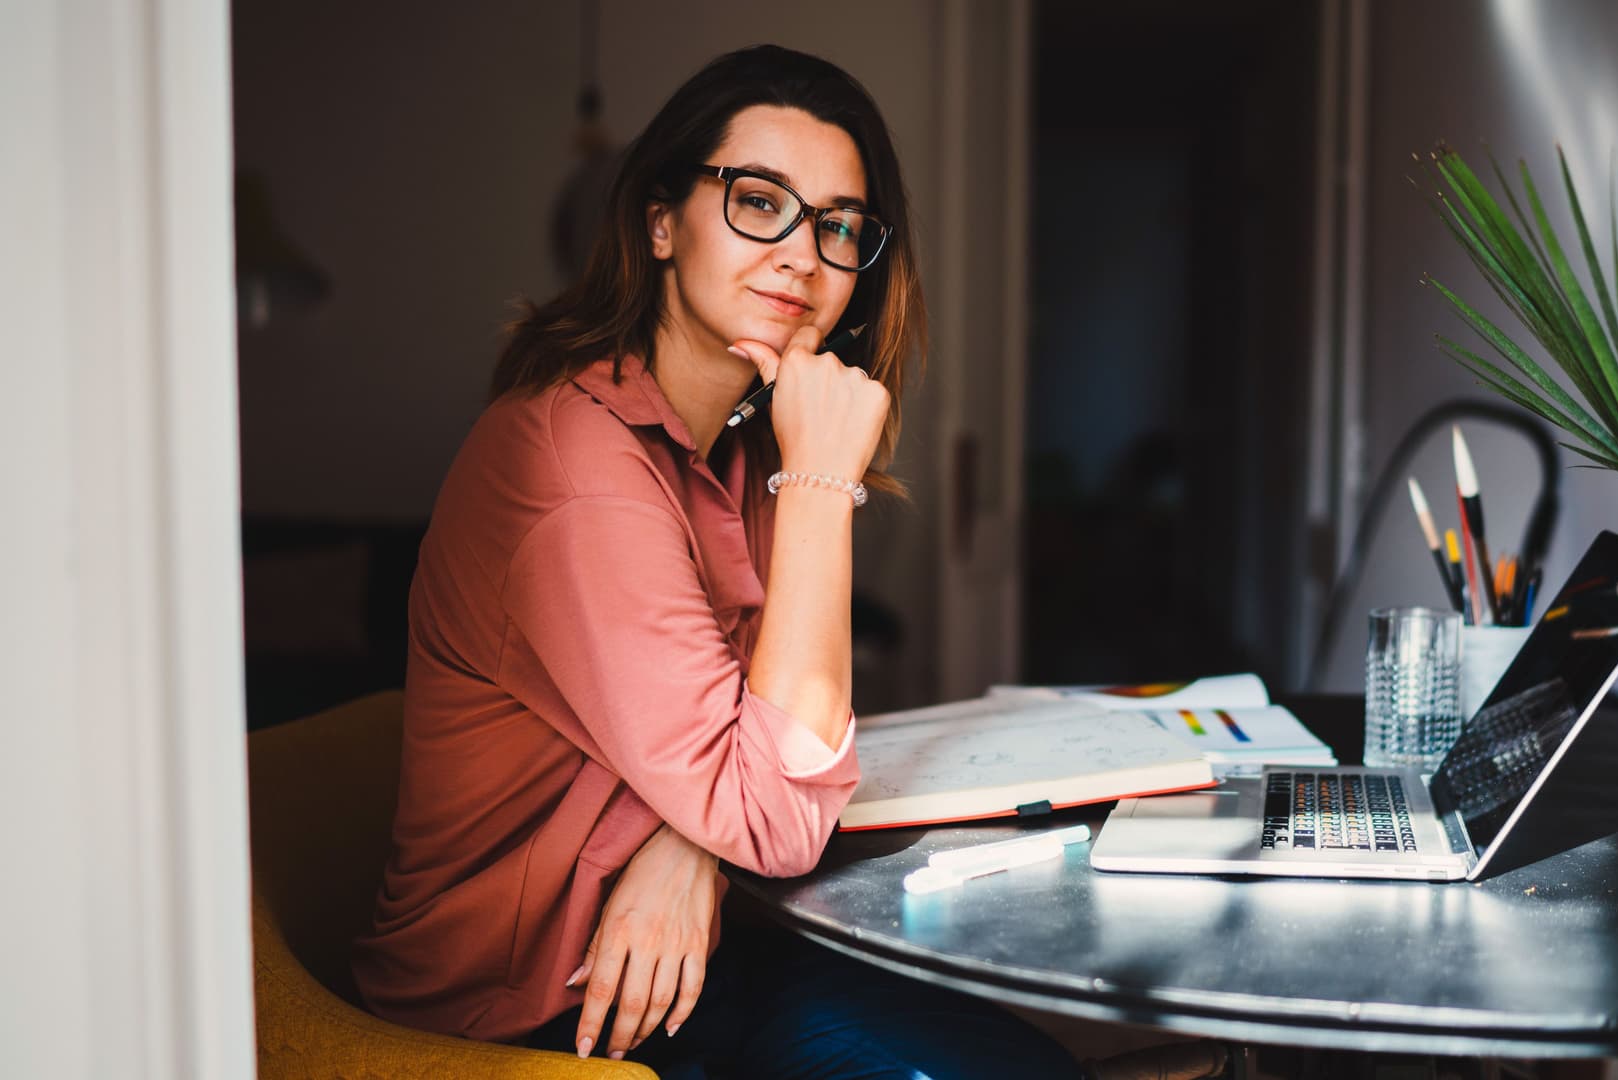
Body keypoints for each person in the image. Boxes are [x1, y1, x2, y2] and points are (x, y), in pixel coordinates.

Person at [351, 44, 1079, 1080]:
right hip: (525, 1015)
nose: (802, 255)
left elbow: (773, 744)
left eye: (836, 226)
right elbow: (779, 810)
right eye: (756, 200)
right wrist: (828, 481)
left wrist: (688, 846)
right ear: (660, 222)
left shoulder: (737, 443)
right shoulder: (575, 468)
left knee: (1020, 1055)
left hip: (691, 953)